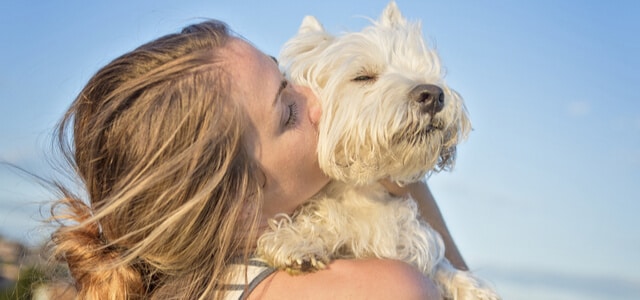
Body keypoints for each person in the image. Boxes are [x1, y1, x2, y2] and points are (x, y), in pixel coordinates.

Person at [47, 19, 465, 299]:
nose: (316, 100)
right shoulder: (388, 289)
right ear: (240, 204)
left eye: (288, 80)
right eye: (288, 113)